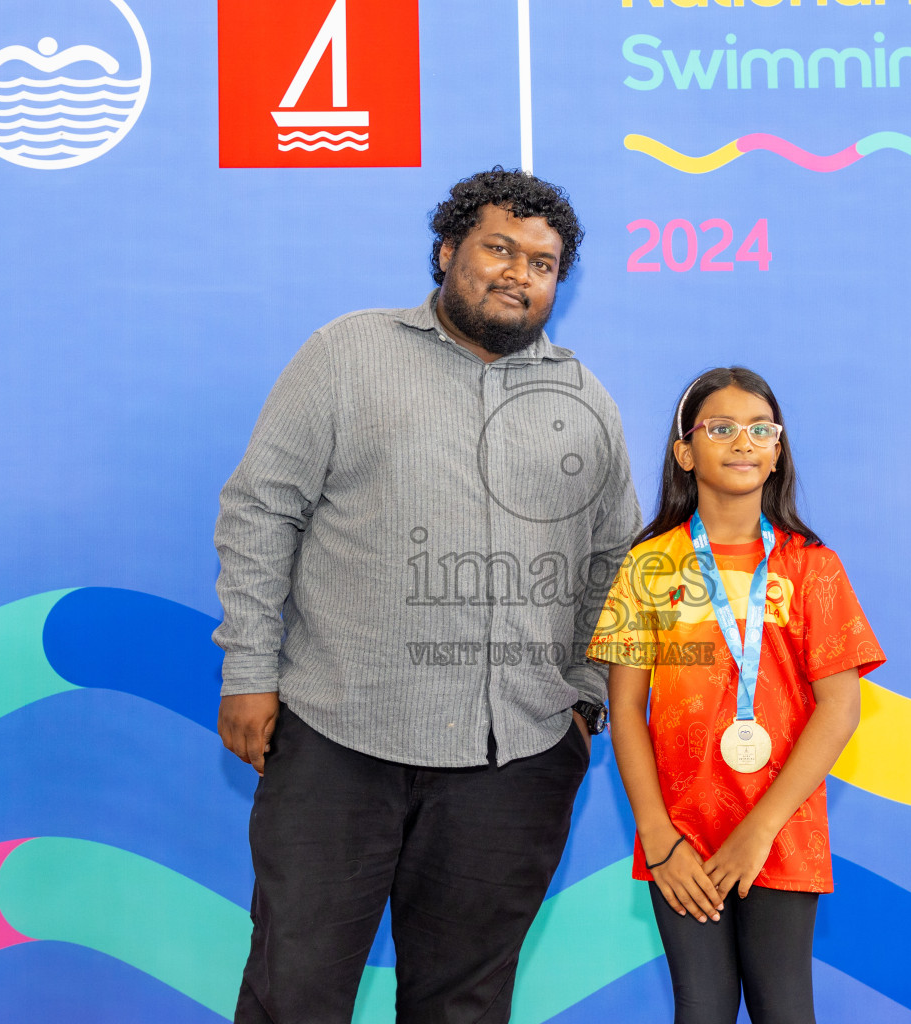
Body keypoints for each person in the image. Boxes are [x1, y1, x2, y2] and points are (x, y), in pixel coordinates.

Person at [212, 168, 641, 1024]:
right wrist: (249, 671)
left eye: (545, 263)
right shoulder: (347, 354)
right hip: (339, 740)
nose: (520, 273)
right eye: (499, 249)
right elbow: (262, 510)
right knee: (293, 994)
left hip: (513, 761)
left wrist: (585, 704)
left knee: (465, 1008)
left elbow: (615, 561)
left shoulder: (584, 399)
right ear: (447, 251)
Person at [588, 367, 884, 1024]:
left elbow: (840, 708)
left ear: (777, 452)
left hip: (780, 830)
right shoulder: (648, 566)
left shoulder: (814, 567)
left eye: (760, 429)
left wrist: (761, 829)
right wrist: (659, 836)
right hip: (682, 839)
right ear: (685, 452)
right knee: (702, 1009)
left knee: (785, 1010)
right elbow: (626, 714)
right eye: (720, 428)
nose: (743, 441)